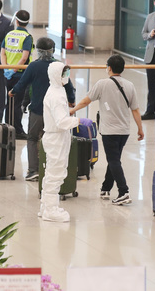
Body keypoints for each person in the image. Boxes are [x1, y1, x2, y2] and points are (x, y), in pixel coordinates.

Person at [70, 55, 144, 205]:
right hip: (124, 131)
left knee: (113, 160)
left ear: (109, 68)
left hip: (110, 131)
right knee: (114, 159)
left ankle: (124, 191)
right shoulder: (129, 85)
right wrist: (140, 129)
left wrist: (73, 110)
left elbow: (86, 100)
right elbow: (135, 110)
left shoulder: (102, 84)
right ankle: (105, 188)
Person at [10, 37, 76, 181]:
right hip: (56, 113)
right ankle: (54, 169)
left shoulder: (33, 66)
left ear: (38, 51)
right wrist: (72, 101)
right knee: (56, 139)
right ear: (52, 50)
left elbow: (22, 83)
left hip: (38, 110)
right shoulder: (59, 66)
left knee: (33, 138)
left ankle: (33, 170)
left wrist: (13, 91)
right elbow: (69, 85)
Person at [40, 62, 88, 222]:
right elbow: (61, 121)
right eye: (64, 73)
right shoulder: (56, 95)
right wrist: (79, 121)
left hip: (56, 136)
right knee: (56, 174)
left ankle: (46, 206)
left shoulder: (56, 90)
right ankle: (51, 210)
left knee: (51, 174)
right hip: (56, 137)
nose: (67, 77)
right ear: (56, 75)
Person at [1, 10, 34, 139]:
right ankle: (17, 131)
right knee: (17, 103)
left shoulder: (9, 34)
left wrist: (6, 68)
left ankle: (8, 127)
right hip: (20, 75)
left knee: (8, 101)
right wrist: (15, 69)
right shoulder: (27, 37)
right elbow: (25, 57)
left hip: (7, 74)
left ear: (16, 20)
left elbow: (2, 53)